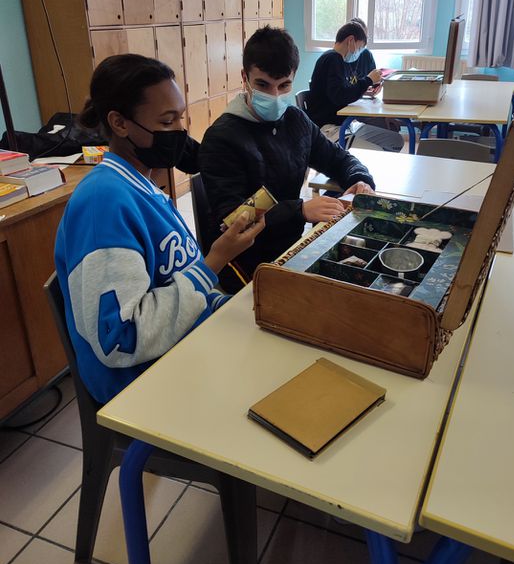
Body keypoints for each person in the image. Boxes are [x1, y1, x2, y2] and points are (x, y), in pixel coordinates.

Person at [55, 54, 264, 403]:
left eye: (180, 118)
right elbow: (121, 338)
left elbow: (174, 278)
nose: (179, 133)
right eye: (167, 122)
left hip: (182, 348)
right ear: (120, 124)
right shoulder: (102, 204)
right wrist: (214, 262)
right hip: (142, 386)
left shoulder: (143, 187)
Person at [198, 26, 377, 288]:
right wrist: (300, 210)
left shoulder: (295, 120)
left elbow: (337, 158)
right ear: (244, 77)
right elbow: (235, 218)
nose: (274, 95)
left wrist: (360, 179)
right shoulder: (221, 138)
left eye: (284, 85)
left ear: (294, 78)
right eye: (262, 85)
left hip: (289, 247)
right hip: (245, 261)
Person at [306, 20, 404, 151]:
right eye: (359, 47)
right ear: (350, 40)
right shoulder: (332, 59)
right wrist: (368, 80)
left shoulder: (337, 60)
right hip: (328, 129)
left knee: (396, 139)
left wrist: (362, 90)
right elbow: (340, 96)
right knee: (384, 148)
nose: (359, 53)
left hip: (345, 124)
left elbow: (342, 90)